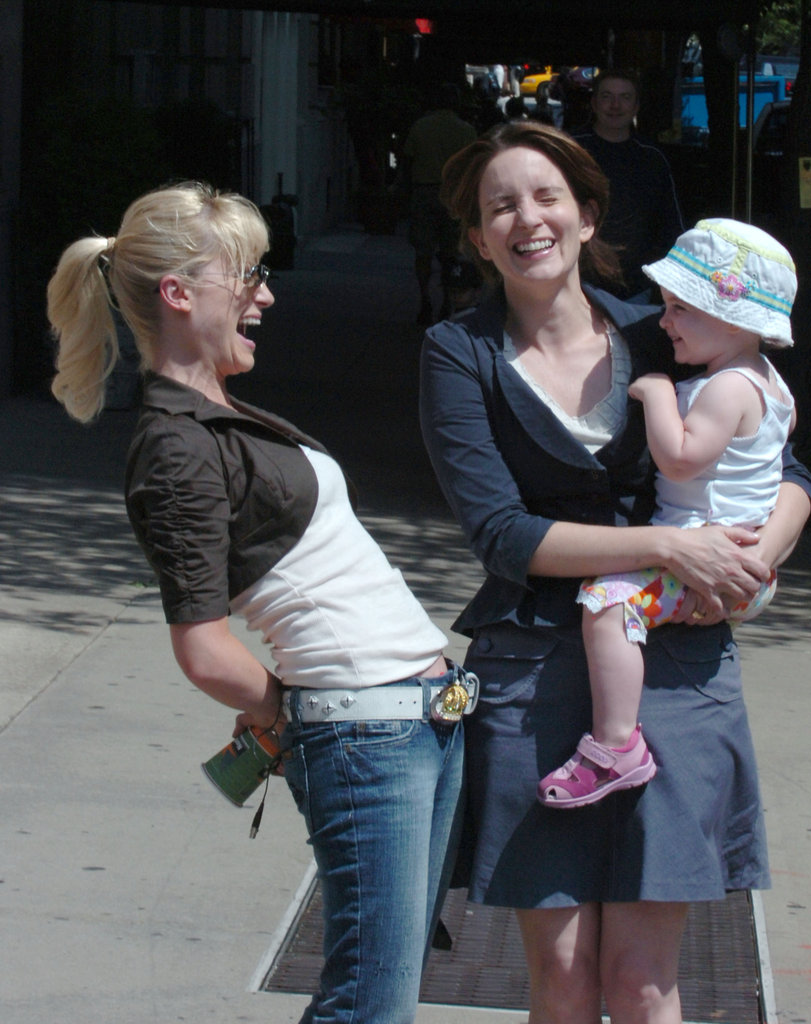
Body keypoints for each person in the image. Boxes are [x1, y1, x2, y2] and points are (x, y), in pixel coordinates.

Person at [47, 182, 476, 1024]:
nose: (266, 297)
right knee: (370, 1005)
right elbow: (203, 648)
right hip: (369, 735)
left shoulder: (216, 415)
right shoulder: (175, 446)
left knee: (382, 997)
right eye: (247, 277)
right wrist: (295, 715)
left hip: (416, 720)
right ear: (180, 293)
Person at [419, 122, 811, 1024]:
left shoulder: (664, 325)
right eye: (500, 206)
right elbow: (502, 534)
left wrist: (758, 554)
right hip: (530, 672)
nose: (527, 219)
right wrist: (668, 549)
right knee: (561, 977)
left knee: (642, 980)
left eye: (547, 196)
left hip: (677, 662)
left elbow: (784, 465)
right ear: (479, 237)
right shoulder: (458, 351)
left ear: (588, 216)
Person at [537, 218, 798, 808]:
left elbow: (680, 460)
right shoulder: (772, 386)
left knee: (608, 603)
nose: (664, 321)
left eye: (681, 308)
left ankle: (615, 746)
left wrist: (657, 392)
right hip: (746, 563)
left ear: (733, 319)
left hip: (713, 560)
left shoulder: (726, 388)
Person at [572, 68, 684, 301]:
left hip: (636, 289)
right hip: (576, 284)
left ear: (636, 106)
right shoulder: (570, 150)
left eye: (625, 97)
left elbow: (670, 225)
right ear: (594, 103)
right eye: (607, 96)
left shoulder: (652, 157)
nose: (615, 105)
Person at [400, 84, 477, 324]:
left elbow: (407, 161)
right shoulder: (466, 130)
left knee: (423, 251)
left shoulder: (420, 127)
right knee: (450, 252)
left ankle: (425, 298)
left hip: (424, 191)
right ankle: (448, 299)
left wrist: (403, 191)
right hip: (453, 195)